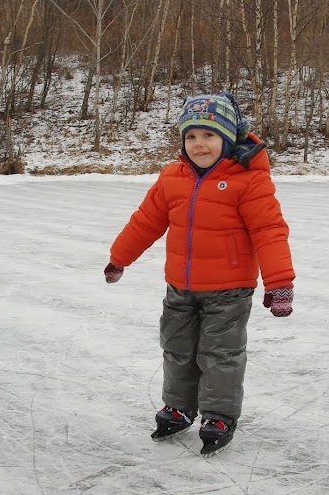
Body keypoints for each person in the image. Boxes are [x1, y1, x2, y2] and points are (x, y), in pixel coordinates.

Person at [103, 93, 295, 457]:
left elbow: (269, 232)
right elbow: (146, 222)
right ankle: (178, 407)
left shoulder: (249, 181)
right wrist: (120, 257)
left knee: (220, 354)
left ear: (227, 138)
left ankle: (219, 414)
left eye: (208, 135)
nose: (198, 144)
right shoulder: (172, 178)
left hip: (230, 290)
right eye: (191, 136)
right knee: (176, 349)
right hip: (180, 287)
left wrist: (279, 282)